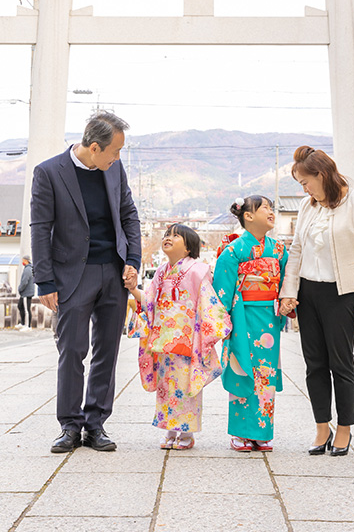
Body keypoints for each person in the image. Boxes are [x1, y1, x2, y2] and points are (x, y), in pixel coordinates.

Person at [31, 111, 141, 454]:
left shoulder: (114, 170)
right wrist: (45, 280)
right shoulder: (49, 172)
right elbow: (40, 227)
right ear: (95, 147)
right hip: (72, 275)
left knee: (107, 351)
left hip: (113, 271)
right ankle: (69, 425)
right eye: (115, 151)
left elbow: (128, 215)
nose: (118, 158)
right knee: (72, 350)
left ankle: (95, 425)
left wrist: (133, 261)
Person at [279, 146, 354, 457]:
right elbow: (296, 250)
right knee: (314, 364)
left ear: (321, 176)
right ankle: (322, 426)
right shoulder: (309, 207)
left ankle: (345, 428)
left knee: (341, 363)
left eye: (305, 182)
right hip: (309, 293)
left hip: (342, 294)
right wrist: (289, 291)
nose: (304, 189)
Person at [128, 224, 231, 450]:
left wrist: (211, 327)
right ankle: (170, 429)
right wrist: (134, 290)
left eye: (176, 236)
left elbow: (207, 302)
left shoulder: (197, 271)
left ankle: (187, 432)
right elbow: (150, 302)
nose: (168, 238)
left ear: (188, 249)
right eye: (167, 235)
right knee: (167, 385)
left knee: (186, 385)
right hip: (164, 339)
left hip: (188, 339)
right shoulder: (161, 271)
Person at [213, 195, 288, 452]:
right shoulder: (233, 250)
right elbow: (222, 288)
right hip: (242, 316)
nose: (271, 212)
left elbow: (287, 282)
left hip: (268, 317)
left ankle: (262, 431)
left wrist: (287, 302)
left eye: (271, 208)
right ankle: (241, 432)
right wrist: (223, 319)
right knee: (242, 369)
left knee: (265, 373)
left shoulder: (279, 249)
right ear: (248, 216)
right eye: (265, 207)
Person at [16, 255, 35, 331]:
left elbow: (24, 281)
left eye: (23, 260)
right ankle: (23, 323)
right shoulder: (28, 268)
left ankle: (28, 326)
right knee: (20, 306)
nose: (22, 262)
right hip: (25, 292)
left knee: (27, 309)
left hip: (26, 292)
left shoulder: (28, 269)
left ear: (26, 261)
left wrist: (20, 289)